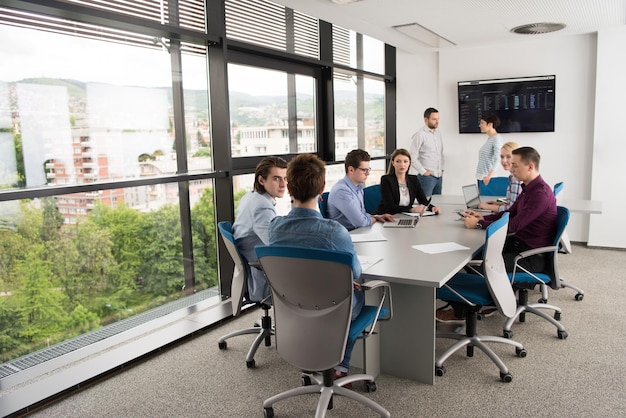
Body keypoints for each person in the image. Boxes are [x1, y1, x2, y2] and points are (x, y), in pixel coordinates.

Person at [268, 153, 365, 382]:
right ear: (322, 188)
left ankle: (313, 358)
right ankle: (339, 365)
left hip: (292, 306)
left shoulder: (275, 228)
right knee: (358, 294)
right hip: (333, 308)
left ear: (289, 188)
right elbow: (357, 272)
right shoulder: (334, 231)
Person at [438, 147, 557, 323]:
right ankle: (477, 304)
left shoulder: (540, 194)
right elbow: (509, 213)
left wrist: (479, 224)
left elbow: (514, 225)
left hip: (528, 257)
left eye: (515, 165)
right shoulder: (529, 188)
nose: (510, 168)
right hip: (517, 246)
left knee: (477, 268)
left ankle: (466, 311)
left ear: (530, 166)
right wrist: (483, 217)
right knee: (470, 257)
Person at [232, 156, 288, 302]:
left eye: (285, 178)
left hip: (255, 264)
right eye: (276, 179)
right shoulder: (262, 206)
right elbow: (275, 245)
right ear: (261, 180)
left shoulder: (251, 196)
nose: (283, 184)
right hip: (262, 271)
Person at [327, 149, 394, 230]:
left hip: (359, 232)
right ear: (351, 170)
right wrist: (375, 219)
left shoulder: (358, 187)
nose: (368, 173)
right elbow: (361, 223)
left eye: (368, 169)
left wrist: (376, 217)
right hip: (348, 236)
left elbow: (361, 214)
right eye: (364, 170)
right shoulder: (342, 191)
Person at [375, 148, 440, 215]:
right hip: (387, 216)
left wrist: (432, 208)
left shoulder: (414, 179)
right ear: (393, 163)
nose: (402, 165)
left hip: (406, 216)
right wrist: (411, 209)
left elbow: (423, 201)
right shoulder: (386, 179)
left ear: (409, 163)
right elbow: (390, 207)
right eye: (398, 161)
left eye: (405, 161)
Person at [477, 141, 522, 212]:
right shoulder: (512, 176)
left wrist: (489, 207)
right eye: (502, 157)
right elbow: (513, 203)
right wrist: (497, 204)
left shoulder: (517, 179)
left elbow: (512, 209)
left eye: (508, 157)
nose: (504, 160)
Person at [409, 107, 444, 197]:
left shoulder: (438, 133)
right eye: (434, 119)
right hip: (427, 177)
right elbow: (411, 156)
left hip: (439, 176)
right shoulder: (420, 135)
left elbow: (440, 153)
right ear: (426, 119)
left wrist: (442, 169)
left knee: (437, 204)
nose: (437, 122)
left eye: (438, 119)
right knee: (425, 204)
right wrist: (423, 171)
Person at [476, 113, 504, 186]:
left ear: (490, 125)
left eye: (482, 123)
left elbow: (498, 159)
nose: (480, 125)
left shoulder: (496, 139)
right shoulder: (491, 139)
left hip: (487, 179)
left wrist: (489, 176)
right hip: (482, 177)